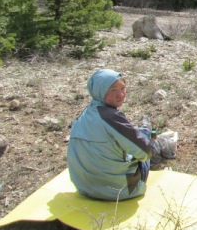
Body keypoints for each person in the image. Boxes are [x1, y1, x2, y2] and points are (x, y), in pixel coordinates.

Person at [67, 69, 158, 201]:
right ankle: (151, 135)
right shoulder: (112, 118)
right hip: (119, 191)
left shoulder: (84, 114)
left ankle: (144, 130)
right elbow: (144, 153)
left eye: (123, 88)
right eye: (113, 90)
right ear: (100, 91)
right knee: (146, 139)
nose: (120, 94)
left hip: (85, 188)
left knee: (131, 138)